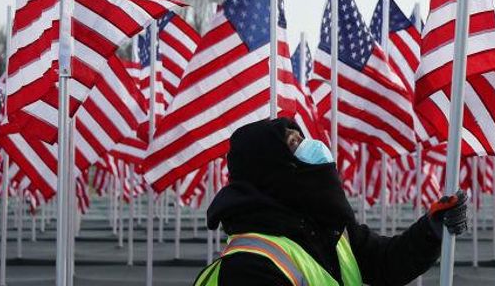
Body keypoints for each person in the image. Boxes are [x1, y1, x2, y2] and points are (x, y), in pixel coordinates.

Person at [195, 118, 469, 286]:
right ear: (272, 168)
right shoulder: (250, 264)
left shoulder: (327, 228)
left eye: (302, 138)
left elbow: (387, 263)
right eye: (294, 143)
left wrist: (431, 229)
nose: (311, 147)